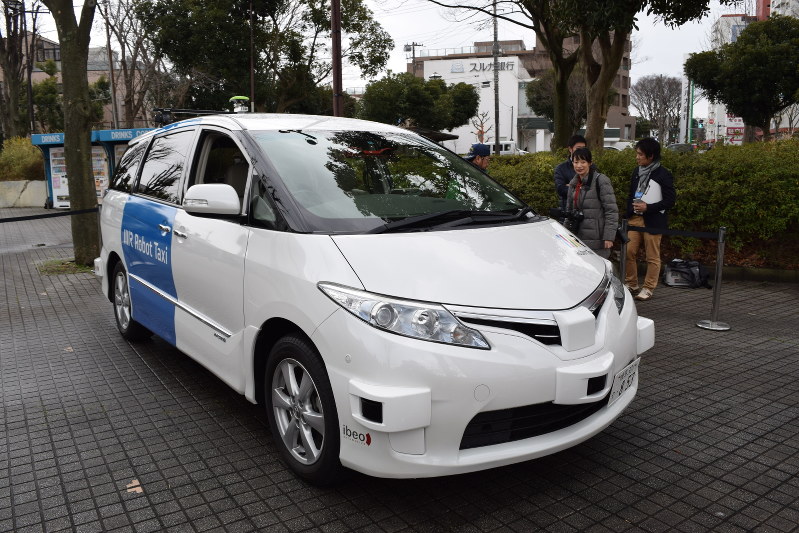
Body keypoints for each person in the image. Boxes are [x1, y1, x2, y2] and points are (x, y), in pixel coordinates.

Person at [625, 137, 676, 301]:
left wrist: (649, 207)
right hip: (634, 218)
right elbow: (631, 194)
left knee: (652, 256)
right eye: (637, 154)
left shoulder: (664, 174)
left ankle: (648, 288)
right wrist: (628, 212)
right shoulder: (636, 171)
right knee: (628, 251)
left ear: (651, 156)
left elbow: (670, 201)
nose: (637, 157)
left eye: (640, 154)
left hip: (653, 220)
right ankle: (631, 283)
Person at [564, 147, 618, 259]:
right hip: (577, 237)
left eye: (583, 162)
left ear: (590, 163)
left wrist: (609, 237)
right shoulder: (573, 184)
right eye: (576, 162)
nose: (579, 166)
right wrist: (566, 234)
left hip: (598, 240)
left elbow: (611, 211)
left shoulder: (601, 181)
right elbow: (568, 212)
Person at [554, 134, 587, 209]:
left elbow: (594, 189)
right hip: (568, 211)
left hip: (587, 211)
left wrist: (571, 186)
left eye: (584, 148)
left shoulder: (591, 167)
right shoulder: (561, 168)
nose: (581, 151)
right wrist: (582, 188)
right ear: (570, 149)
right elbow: (561, 189)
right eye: (578, 148)